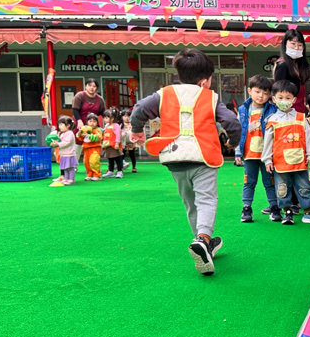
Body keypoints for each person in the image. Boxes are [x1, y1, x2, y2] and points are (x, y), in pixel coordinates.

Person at [129, 48, 242, 276]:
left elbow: (139, 109)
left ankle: (203, 243)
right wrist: (233, 141)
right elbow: (232, 121)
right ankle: (203, 239)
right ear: (204, 81)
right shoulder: (210, 97)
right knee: (206, 199)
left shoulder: (164, 94)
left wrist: (137, 130)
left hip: (175, 158)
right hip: (204, 158)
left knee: (190, 202)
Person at [262, 80, 310, 226]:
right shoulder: (272, 120)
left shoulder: (301, 118)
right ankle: (287, 212)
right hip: (280, 162)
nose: (284, 101)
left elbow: (308, 138)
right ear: (274, 99)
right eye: (280, 97)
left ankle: (308, 212)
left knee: (304, 187)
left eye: (288, 98)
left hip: (299, 161)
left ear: (294, 99)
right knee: (282, 188)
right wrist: (267, 159)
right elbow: (268, 143)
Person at [234, 75, 279, 223]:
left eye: (265, 93)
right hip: (249, 153)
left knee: (270, 182)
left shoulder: (273, 109)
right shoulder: (243, 110)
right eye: (257, 92)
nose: (261, 96)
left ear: (270, 95)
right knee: (249, 182)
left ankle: (274, 207)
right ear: (249, 91)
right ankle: (247, 208)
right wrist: (238, 151)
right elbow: (239, 131)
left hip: (267, 155)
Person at [272, 29, 310, 115]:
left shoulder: (300, 66)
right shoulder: (282, 66)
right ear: (285, 44)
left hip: (299, 113)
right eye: (293, 44)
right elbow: (280, 93)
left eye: (300, 45)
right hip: (287, 114)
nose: (296, 48)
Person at [48, 116, 77, 187]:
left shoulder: (70, 133)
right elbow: (60, 141)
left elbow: (67, 142)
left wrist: (58, 144)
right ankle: (66, 178)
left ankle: (71, 179)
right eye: (59, 124)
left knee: (70, 168)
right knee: (65, 168)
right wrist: (55, 142)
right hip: (63, 154)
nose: (59, 126)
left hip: (69, 154)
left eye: (61, 124)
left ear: (68, 125)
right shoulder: (63, 133)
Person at [76, 115, 102, 181]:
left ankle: (96, 175)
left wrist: (89, 136)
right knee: (86, 162)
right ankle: (89, 174)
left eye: (94, 121)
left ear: (97, 122)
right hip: (86, 148)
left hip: (95, 148)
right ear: (87, 122)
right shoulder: (85, 129)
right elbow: (79, 137)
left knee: (94, 161)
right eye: (90, 121)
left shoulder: (97, 130)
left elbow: (98, 137)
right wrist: (80, 134)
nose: (92, 123)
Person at [101, 107, 124, 178]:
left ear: (112, 119)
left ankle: (119, 171)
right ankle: (111, 171)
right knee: (110, 159)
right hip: (108, 145)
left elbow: (118, 135)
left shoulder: (116, 126)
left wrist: (117, 143)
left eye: (106, 118)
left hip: (114, 145)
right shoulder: (106, 126)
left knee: (118, 158)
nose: (105, 119)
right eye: (104, 117)